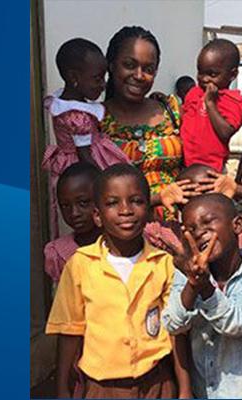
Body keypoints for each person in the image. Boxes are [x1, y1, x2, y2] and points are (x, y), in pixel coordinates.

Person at [45, 164, 184, 399]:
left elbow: (175, 331)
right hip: (103, 388)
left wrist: (185, 388)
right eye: (112, 203)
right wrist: (62, 388)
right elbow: (70, 330)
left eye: (136, 201)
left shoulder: (163, 263)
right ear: (98, 216)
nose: (125, 211)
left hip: (157, 383)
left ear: (148, 210)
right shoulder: (80, 264)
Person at [161, 193, 242, 398]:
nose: (199, 233)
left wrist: (204, 287)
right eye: (191, 229)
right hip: (201, 389)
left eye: (207, 222)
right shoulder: (187, 274)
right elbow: (173, 324)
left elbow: (237, 323)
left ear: (237, 225)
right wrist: (192, 285)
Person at [42, 38, 129, 238]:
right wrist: (105, 184)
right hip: (84, 167)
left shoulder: (64, 102)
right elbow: (84, 154)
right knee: (93, 212)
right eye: (97, 78)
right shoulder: (76, 114)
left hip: (72, 163)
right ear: (74, 77)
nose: (103, 84)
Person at [101, 26, 183, 220]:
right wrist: (156, 199)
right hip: (123, 235)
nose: (139, 75)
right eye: (129, 65)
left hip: (174, 230)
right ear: (111, 65)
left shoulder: (171, 110)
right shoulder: (94, 121)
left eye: (148, 69)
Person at [181, 39, 242, 171]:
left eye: (212, 74)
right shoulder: (194, 93)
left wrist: (210, 103)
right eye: (200, 72)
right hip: (185, 166)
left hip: (212, 170)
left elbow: (226, 132)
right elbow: (183, 118)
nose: (204, 79)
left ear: (232, 75)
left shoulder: (233, 100)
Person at [43, 162, 101, 284]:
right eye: (65, 206)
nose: (74, 213)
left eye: (83, 203)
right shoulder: (58, 254)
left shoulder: (122, 244)